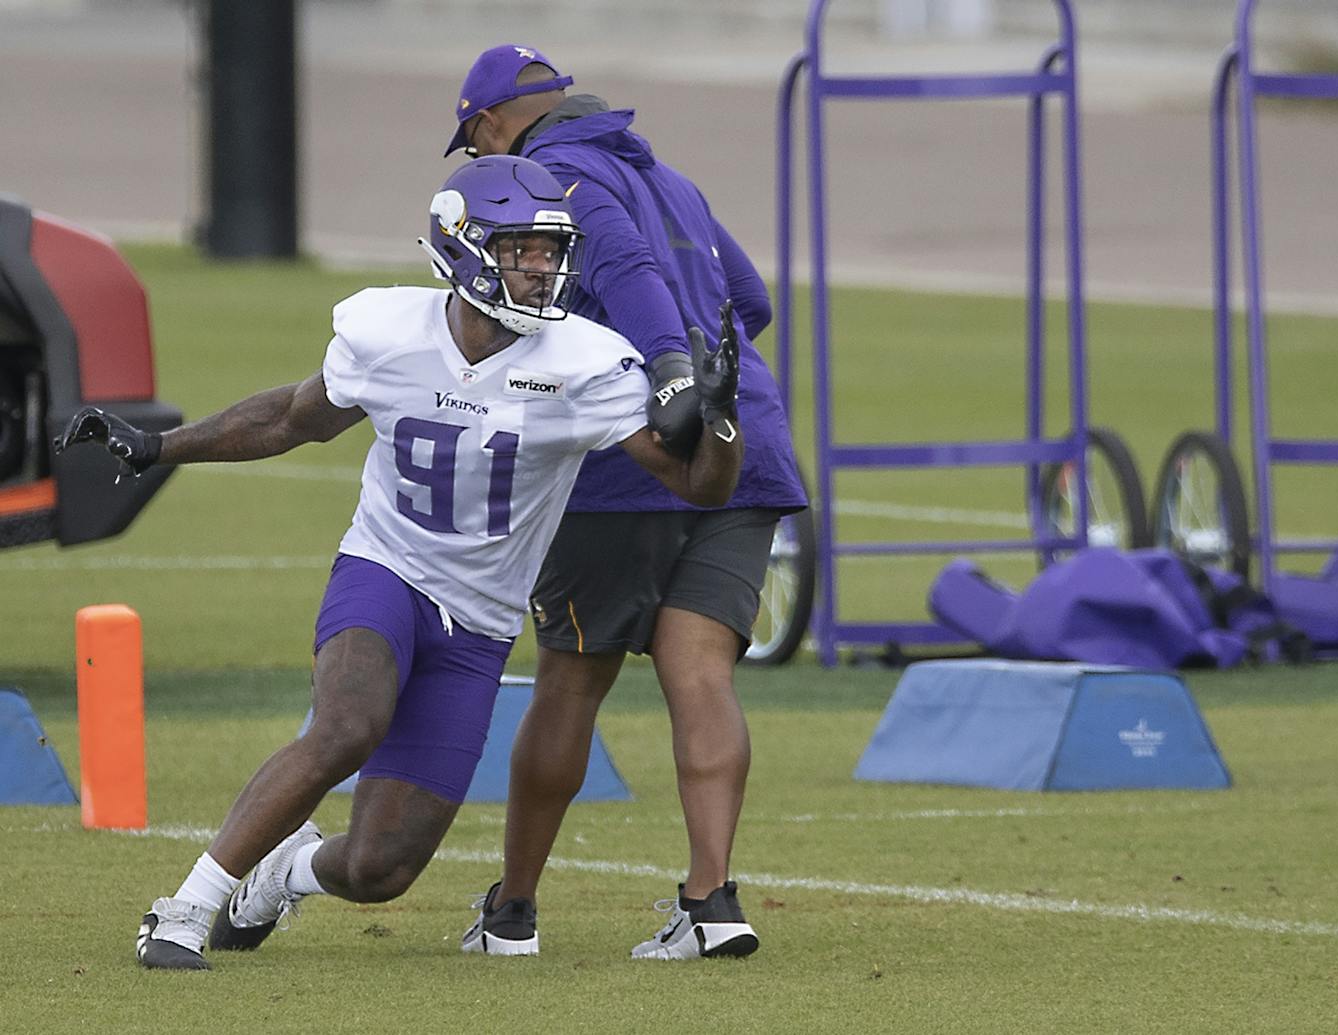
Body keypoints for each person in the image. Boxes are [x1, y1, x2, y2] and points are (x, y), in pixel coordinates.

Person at [54, 154, 744, 971]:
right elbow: (291, 418)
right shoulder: (388, 331)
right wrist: (161, 446)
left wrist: (722, 424)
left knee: (380, 868)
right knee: (347, 723)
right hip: (385, 568)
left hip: (480, 623)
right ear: (463, 247)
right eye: (523, 249)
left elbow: (696, 486)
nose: (543, 269)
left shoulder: (585, 362)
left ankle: (285, 872)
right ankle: (183, 909)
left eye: (552, 251)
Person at [443, 45, 806, 961]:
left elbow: (627, 266)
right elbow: (749, 301)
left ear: (490, 125)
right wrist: (703, 381)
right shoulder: (671, 177)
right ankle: (712, 902)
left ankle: (512, 914)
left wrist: (670, 373)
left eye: (473, 143)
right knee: (702, 675)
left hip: (632, 455)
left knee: (572, 674)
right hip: (742, 449)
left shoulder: (551, 175)